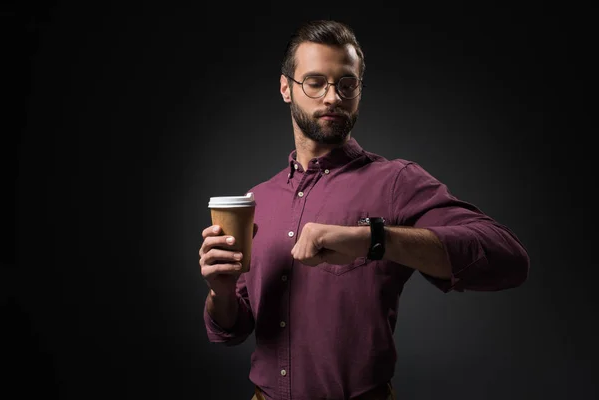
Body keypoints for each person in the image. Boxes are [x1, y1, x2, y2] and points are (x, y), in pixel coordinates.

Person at [199, 19, 530, 400]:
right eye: (315, 82)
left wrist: (373, 238)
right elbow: (233, 330)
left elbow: (508, 259)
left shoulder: (395, 182)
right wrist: (220, 293)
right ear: (285, 88)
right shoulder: (258, 199)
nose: (332, 97)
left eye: (346, 84)